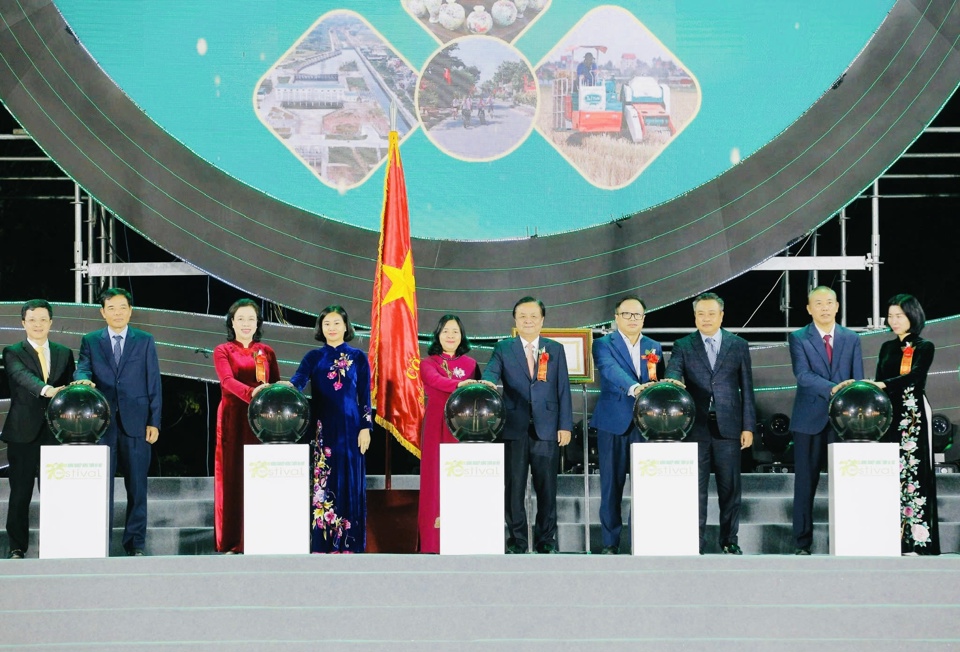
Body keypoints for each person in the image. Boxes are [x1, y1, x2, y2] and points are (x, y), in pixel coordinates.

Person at [665, 292, 755, 555]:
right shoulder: (683, 344)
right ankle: (695, 542)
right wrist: (672, 380)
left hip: (729, 427)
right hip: (695, 427)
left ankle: (729, 540)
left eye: (711, 313)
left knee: (730, 489)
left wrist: (748, 426)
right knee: (695, 490)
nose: (706, 318)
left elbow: (747, 389)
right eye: (701, 314)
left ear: (721, 315)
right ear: (695, 316)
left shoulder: (738, 344)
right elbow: (674, 370)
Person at [74, 288, 162, 556]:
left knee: (137, 487)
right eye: (111, 308)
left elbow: (154, 382)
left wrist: (154, 421)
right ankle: (99, 541)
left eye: (122, 307)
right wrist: (82, 378)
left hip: (137, 422)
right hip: (102, 424)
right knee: (102, 487)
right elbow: (83, 366)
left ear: (130, 310)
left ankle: (135, 543)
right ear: (102, 312)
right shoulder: (90, 340)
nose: (117, 313)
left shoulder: (145, 340)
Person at [482, 296, 572, 554]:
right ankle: (517, 541)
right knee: (514, 488)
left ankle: (546, 540)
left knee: (547, 489)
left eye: (533, 316)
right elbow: (491, 371)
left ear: (542, 320)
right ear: (515, 320)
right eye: (523, 316)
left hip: (548, 429)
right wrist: (486, 382)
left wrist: (565, 425)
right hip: (514, 428)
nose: (528, 320)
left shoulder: (555, 349)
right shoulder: (504, 348)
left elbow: (563, 388)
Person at [788, 286, 863, 555]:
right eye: (818, 303)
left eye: (829, 302)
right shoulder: (798, 337)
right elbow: (803, 375)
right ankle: (802, 544)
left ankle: (844, 541)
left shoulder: (852, 338)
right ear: (809, 309)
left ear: (837, 306)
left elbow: (857, 380)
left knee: (845, 482)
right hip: (808, 419)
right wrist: (834, 388)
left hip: (844, 422)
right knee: (805, 484)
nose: (824, 307)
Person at [290, 305, 371, 553]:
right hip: (322, 430)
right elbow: (297, 384)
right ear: (320, 328)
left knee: (351, 483)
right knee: (323, 485)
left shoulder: (358, 357)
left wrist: (366, 427)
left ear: (346, 327)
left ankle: (350, 545)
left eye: (337, 323)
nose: (332, 328)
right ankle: (323, 544)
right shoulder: (313, 357)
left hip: (352, 430)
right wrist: (280, 388)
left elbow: (364, 397)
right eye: (327, 324)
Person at [590, 295, 664, 554]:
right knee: (611, 486)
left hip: (646, 424)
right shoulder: (602, 344)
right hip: (613, 422)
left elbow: (658, 380)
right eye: (627, 314)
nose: (633, 319)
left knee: (645, 486)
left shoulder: (654, 345)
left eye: (638, 315)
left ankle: (641, 540)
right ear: (616, 317)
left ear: (644, 318)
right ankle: (610, 543)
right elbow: (609, 370)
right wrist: (635, 387)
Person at [1, 300, 75, 559]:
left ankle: (56, 544)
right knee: (20, 493)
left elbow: (71, 384)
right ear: (23, 323)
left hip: (56, 433)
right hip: (22, 433)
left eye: (43, 319)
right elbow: (21, 376)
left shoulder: (64, 352)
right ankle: (17, 547)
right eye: (32, 320)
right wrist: (47, 390)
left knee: (56, 493)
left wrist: (80, 383)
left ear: (51, 322)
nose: (38, 325)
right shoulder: (12, 352)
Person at [212, 298, 281, 554]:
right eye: (240, 319)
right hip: (232, 418)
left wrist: (276, 390)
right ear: (232, 322)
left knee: (259, 475)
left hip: (261, 422)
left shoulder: (267, 351)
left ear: (257, 323)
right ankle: (231, 540)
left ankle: (259, 535)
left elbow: (273, 385)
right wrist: (253, 393)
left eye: (251, 319)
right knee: (232, 476)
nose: (245, 324)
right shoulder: (223, 350)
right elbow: (227, 381)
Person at [873, 294, 939, 555]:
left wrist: (885, 384)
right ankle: (892, 538)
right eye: (890, 316)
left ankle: (918, 540)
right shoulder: (886, 348)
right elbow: (880, 378)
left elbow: (915, 377)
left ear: (913, 315)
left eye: (899, 315)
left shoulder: (925, 346)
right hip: (889, 414)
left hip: (912, 415)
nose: (894, 321)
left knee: (915, 471)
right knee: (890, 472)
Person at [418, 314, 481, 553]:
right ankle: (432, 543)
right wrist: (459, 384)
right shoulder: (428, 363)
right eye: (446, 331)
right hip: (436, 422)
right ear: (438, 335)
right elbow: (434, 381)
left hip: (463, 425)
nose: (451, 336)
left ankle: (462, 536)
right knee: (434, 478)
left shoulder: (471, 364)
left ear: (462, 336)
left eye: (455, 331)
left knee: (460, 477)